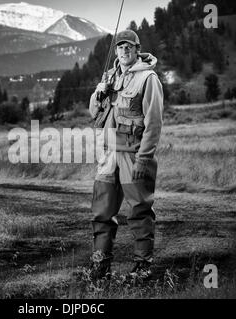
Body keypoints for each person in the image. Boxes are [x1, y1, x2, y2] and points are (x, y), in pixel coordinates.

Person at [88, 29, 164, 280]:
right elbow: (94, 113)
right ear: (117, 50)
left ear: (137, 48)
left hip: (133, 154)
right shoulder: (109, 77)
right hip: (108, 154)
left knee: (139, 210)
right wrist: (98, 93)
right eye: (120, 46)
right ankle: (100, 266)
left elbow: (154, 124)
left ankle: (142, 267)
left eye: (129, 46)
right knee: (102, 211)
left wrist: (144, 158)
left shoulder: (148, 79)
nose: (124, 50)